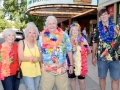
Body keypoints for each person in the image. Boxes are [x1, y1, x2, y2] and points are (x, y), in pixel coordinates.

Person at [38, 15, 74, 90]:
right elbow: (40, 51)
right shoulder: (42, 37)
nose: (51, 26)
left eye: (53, 23)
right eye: (49, 24)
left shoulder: (64, 35)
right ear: (47, 25)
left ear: (56, 24)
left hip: (61, 69)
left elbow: (69, 50)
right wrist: (40, 65)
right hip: (47, 69)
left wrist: (71, 65)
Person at [92, 9, 120, 90]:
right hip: (101, 58)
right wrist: (93, 57)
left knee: (115, 79)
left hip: (115, 57)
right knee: (102, 78)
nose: (103, 16)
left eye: (105, 14)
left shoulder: (116, 27)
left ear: (108, 15)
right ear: (100, 17)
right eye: (101, 15)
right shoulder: (97, 29)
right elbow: (94, 43)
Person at [18, 22, 41, 90]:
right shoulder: (22, 42)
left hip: (37, 71)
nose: (32, 34)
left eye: (34, 33)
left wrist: (38, 59)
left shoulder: (37, 43)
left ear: (36, 34)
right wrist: (32, 59)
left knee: (35, 88)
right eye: (30, 32)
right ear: (26, 33)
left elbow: (40, 57)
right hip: (26, 71)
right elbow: (21, 57)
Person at [68, 23, 91, 90]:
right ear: (71, 31)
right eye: (73, 30)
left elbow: (88, 50)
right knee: (72, 79)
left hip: (81, 64)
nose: (75, 31)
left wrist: (78, 48)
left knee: (82, 81)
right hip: (71, 63)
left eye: (76, 30)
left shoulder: (83, 39)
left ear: (79, 31)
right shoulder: (68, 40)